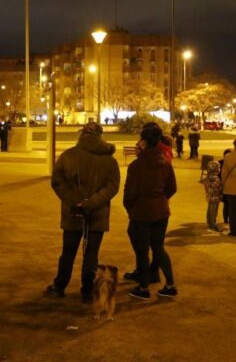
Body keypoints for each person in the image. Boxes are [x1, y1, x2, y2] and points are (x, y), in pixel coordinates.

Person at [45, 122, 120, 303]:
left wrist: (74, 201)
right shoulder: (109, 160)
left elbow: (57, 181)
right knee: (91, 253)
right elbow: (112, 187)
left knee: (68, 252)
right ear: (100, 136)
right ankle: (87, 290)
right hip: (97, 213)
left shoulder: (68, 156)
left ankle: (59, 286)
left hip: (73, 212)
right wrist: (92, 202)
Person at [124, 124, 178, 300]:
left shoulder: (137, 165)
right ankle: (170, 284)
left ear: (144, 142)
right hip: (161, 211)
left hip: (142, 211)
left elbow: (130, 192)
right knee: (158, 247)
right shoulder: (165, 162)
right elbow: (172, 187)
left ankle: (144, 287)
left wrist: (131, 207)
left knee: (142, 250)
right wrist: (160, 199)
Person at [203, 161, 223, 232]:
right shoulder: (215, 178)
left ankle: (209, 221)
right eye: (218, 167)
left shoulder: (208, 177)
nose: (219, 169)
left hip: (210, 196)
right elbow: (218, 187)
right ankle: (212, 223)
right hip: (215, 196)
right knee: (213, 210)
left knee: (210, 208)